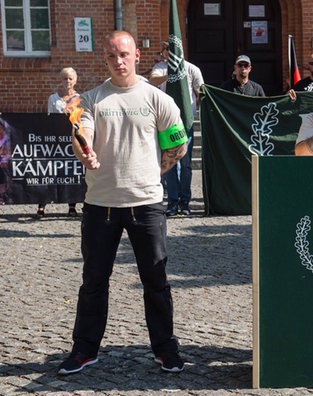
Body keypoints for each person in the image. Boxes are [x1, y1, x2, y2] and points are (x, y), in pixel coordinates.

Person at [58, 30, 187, 375]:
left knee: (156, 282)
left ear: (136, 57)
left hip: (146, 205)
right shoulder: (91, 99)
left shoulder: (156, 98)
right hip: (101, 205)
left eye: (124, 55)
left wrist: (153, 173)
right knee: (93, 282)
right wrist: (85, 150)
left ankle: (165, 348)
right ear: (105, 59)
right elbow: (81, 134)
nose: (119, 61)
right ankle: (84, 350)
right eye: (112, 56)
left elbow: (178, 144)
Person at [149, 41, 205, 216]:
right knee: (170, 162)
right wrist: (170, 75)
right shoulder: (161, 67)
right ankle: (172, 202)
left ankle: (185, 202)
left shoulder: (191, 68)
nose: (165, 52)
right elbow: (152, 81)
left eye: (169, 49)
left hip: (186, 122)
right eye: (165, 49)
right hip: (167, 122)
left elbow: (201, 90)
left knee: (186, 163)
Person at [39, 67, 80, 218]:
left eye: (70, 78)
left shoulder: (79, 98)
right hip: (55, 140)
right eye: (64, 78)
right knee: (48, 171)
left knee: (70, 171)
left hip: (70, 139)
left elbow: (80, 119)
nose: (67, 81)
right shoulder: (53, 98)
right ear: (61, 81)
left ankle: (72, 206)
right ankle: (41, 205)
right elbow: (49, 118)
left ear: (75, 80)